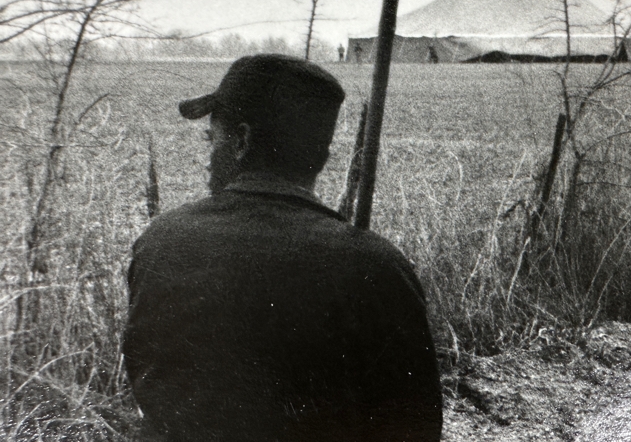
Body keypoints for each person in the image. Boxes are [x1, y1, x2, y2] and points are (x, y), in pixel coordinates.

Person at [123, 54, 443, 441]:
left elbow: (145, 381)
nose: (208, 158)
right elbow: (416, 427)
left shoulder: (161, 241)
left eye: (213, 139)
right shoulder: (377, 267)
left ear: (241, 140)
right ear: (322, 155)